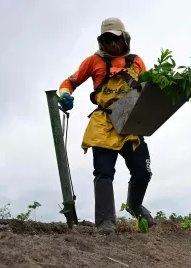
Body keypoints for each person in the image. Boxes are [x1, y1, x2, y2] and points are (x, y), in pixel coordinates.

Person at [58, 17, 154, 234]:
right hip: (104, 123)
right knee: (103, 172)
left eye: (115, 39)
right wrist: (65, 95)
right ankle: (106, 223)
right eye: (106, 39)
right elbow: (69, 83)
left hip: (130, 124)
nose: (111, 44)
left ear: (124, 39)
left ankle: (135, 206)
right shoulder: (93, 61)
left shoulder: (136, 62)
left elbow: (148, 88)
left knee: (143, 172)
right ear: (101, 41)